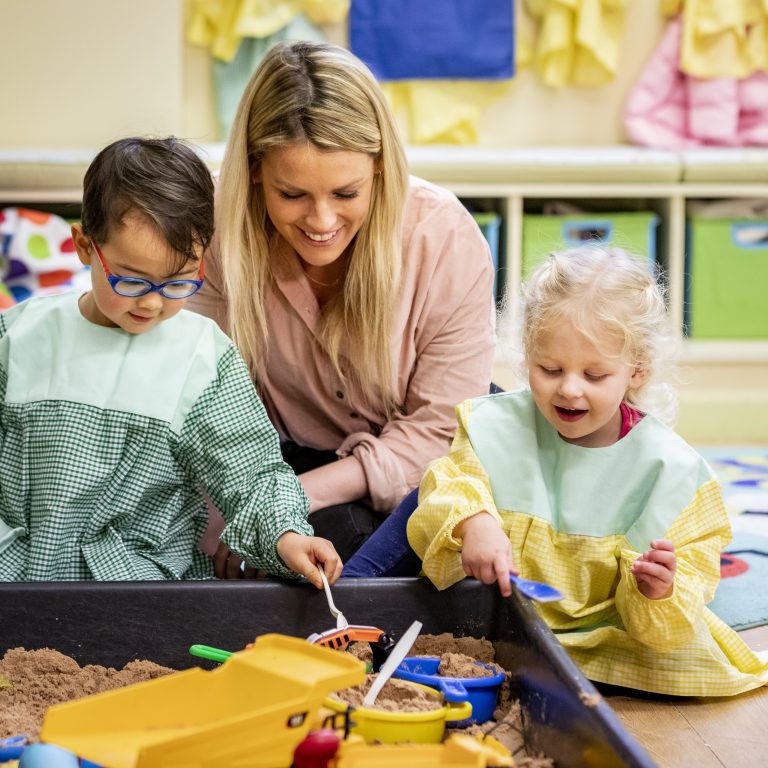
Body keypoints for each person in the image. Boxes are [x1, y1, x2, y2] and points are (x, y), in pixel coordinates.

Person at [407, 246, 768, 696]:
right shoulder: (493, 427)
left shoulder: (673, 475)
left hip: (610, 644)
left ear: (637, 371)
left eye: (595, 375)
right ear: (528, 353)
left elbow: (676, 609)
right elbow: (446, 488)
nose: (570, 389)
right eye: (550, 368)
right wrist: (472, 520)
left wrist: (660, 591)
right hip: (501, 626)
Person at [188, 41, 496, 567]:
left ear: (378, 168)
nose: (322, 221)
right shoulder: (215, 225)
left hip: (421, 455)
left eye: (346, 194)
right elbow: (202, 398)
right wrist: (228, 511)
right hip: (276, 453)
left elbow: (439, 433)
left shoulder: (442, 238)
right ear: (255, 169)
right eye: (293, 195)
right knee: (277, 565)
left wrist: (292, 498)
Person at [0, 136, 340, 587]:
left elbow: (251, 475)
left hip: (136, 589)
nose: (154, 303)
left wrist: (286, 535)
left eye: (179, 282)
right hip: (15, 584)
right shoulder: (20, 335)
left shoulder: (201, 358)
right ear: (84, 246)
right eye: (132, 280)